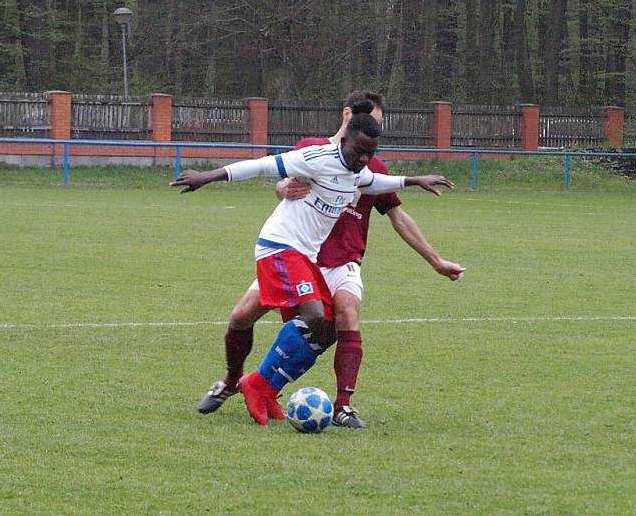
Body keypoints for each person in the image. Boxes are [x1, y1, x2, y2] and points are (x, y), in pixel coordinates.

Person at [171, 103, 455, 425]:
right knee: (310, 315)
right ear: (346, 133)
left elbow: (373, 181)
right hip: (279, 247)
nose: (364, 159)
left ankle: (262, 385)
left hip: (304, 256)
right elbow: (262, 166)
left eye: (370, 152)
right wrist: (206, 176)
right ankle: (246, 383)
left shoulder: (359, 171)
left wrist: (415, 180)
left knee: (326, 331)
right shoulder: (316, 157)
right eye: (360, 151)